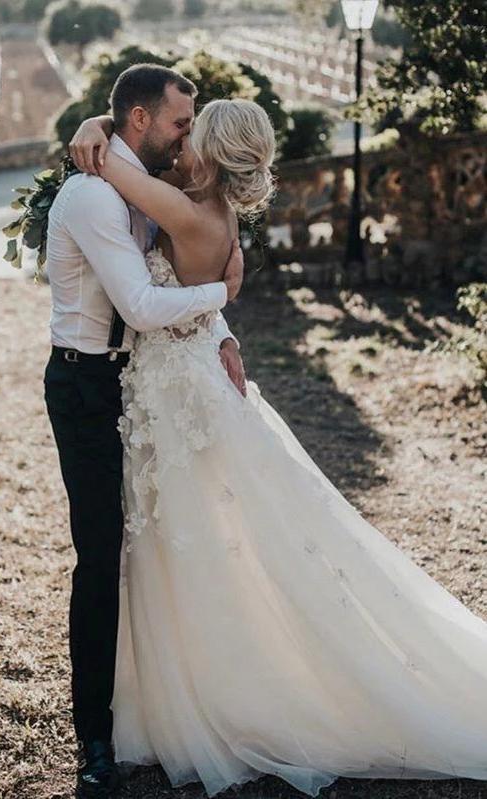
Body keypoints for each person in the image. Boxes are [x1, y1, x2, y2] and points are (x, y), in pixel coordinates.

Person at [71, 95, 487, 799]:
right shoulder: (191, 201)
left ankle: (224, 693)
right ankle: (184, 685)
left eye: (191, 130)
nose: (182, 137)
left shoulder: (193, 213)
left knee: (200, 537)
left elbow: (111, 166)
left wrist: (94, 126)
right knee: (184, 538)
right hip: (173, 381)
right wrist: (220, 317)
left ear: (211, 145)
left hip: (183, 395)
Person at [44, 64, 246, 799]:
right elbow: (136, 301)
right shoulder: (96, 194)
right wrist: (218, 295)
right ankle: (94, 738)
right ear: (138, 121)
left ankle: (163, 704)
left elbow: (166, 260)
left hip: (140, 383)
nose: (183, 137)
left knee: (160, 543)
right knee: (101, 557)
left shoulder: (138, 180)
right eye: (177, 124)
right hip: (87, 386)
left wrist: (219, 330)